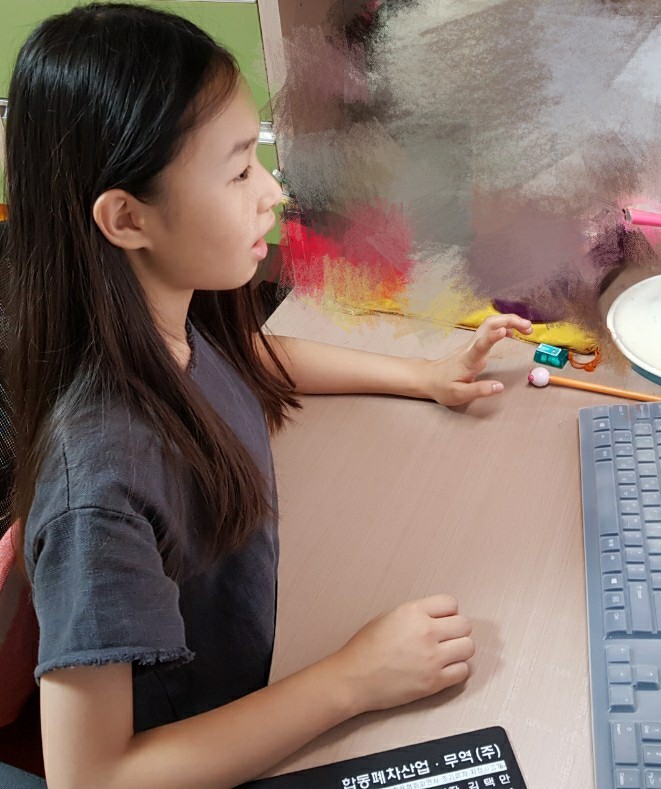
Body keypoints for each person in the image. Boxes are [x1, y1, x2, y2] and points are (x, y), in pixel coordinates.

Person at [1, 4, 532, 786]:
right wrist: (354, 678)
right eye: (239, 170)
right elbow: (95, 776)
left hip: (256, 672)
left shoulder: (171, 324)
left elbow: (251, 354)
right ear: (127, 218)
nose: (272, 191)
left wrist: (423, 376)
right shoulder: (100, 489)